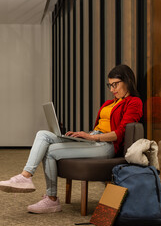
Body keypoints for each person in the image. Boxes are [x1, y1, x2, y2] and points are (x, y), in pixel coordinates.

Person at [0, 64, 143, 214]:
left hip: (106, 145)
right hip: (93, 139)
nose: (112, 89)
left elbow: (120, 133)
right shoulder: (110, 103)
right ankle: (26, 177)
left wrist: (91, 137)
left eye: (115, 85)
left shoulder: (134, 102)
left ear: (127, 81)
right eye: (110, 85)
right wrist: (84, 135)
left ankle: (50, 198)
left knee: (51, 150)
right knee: (43, 134)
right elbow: (100, 127)